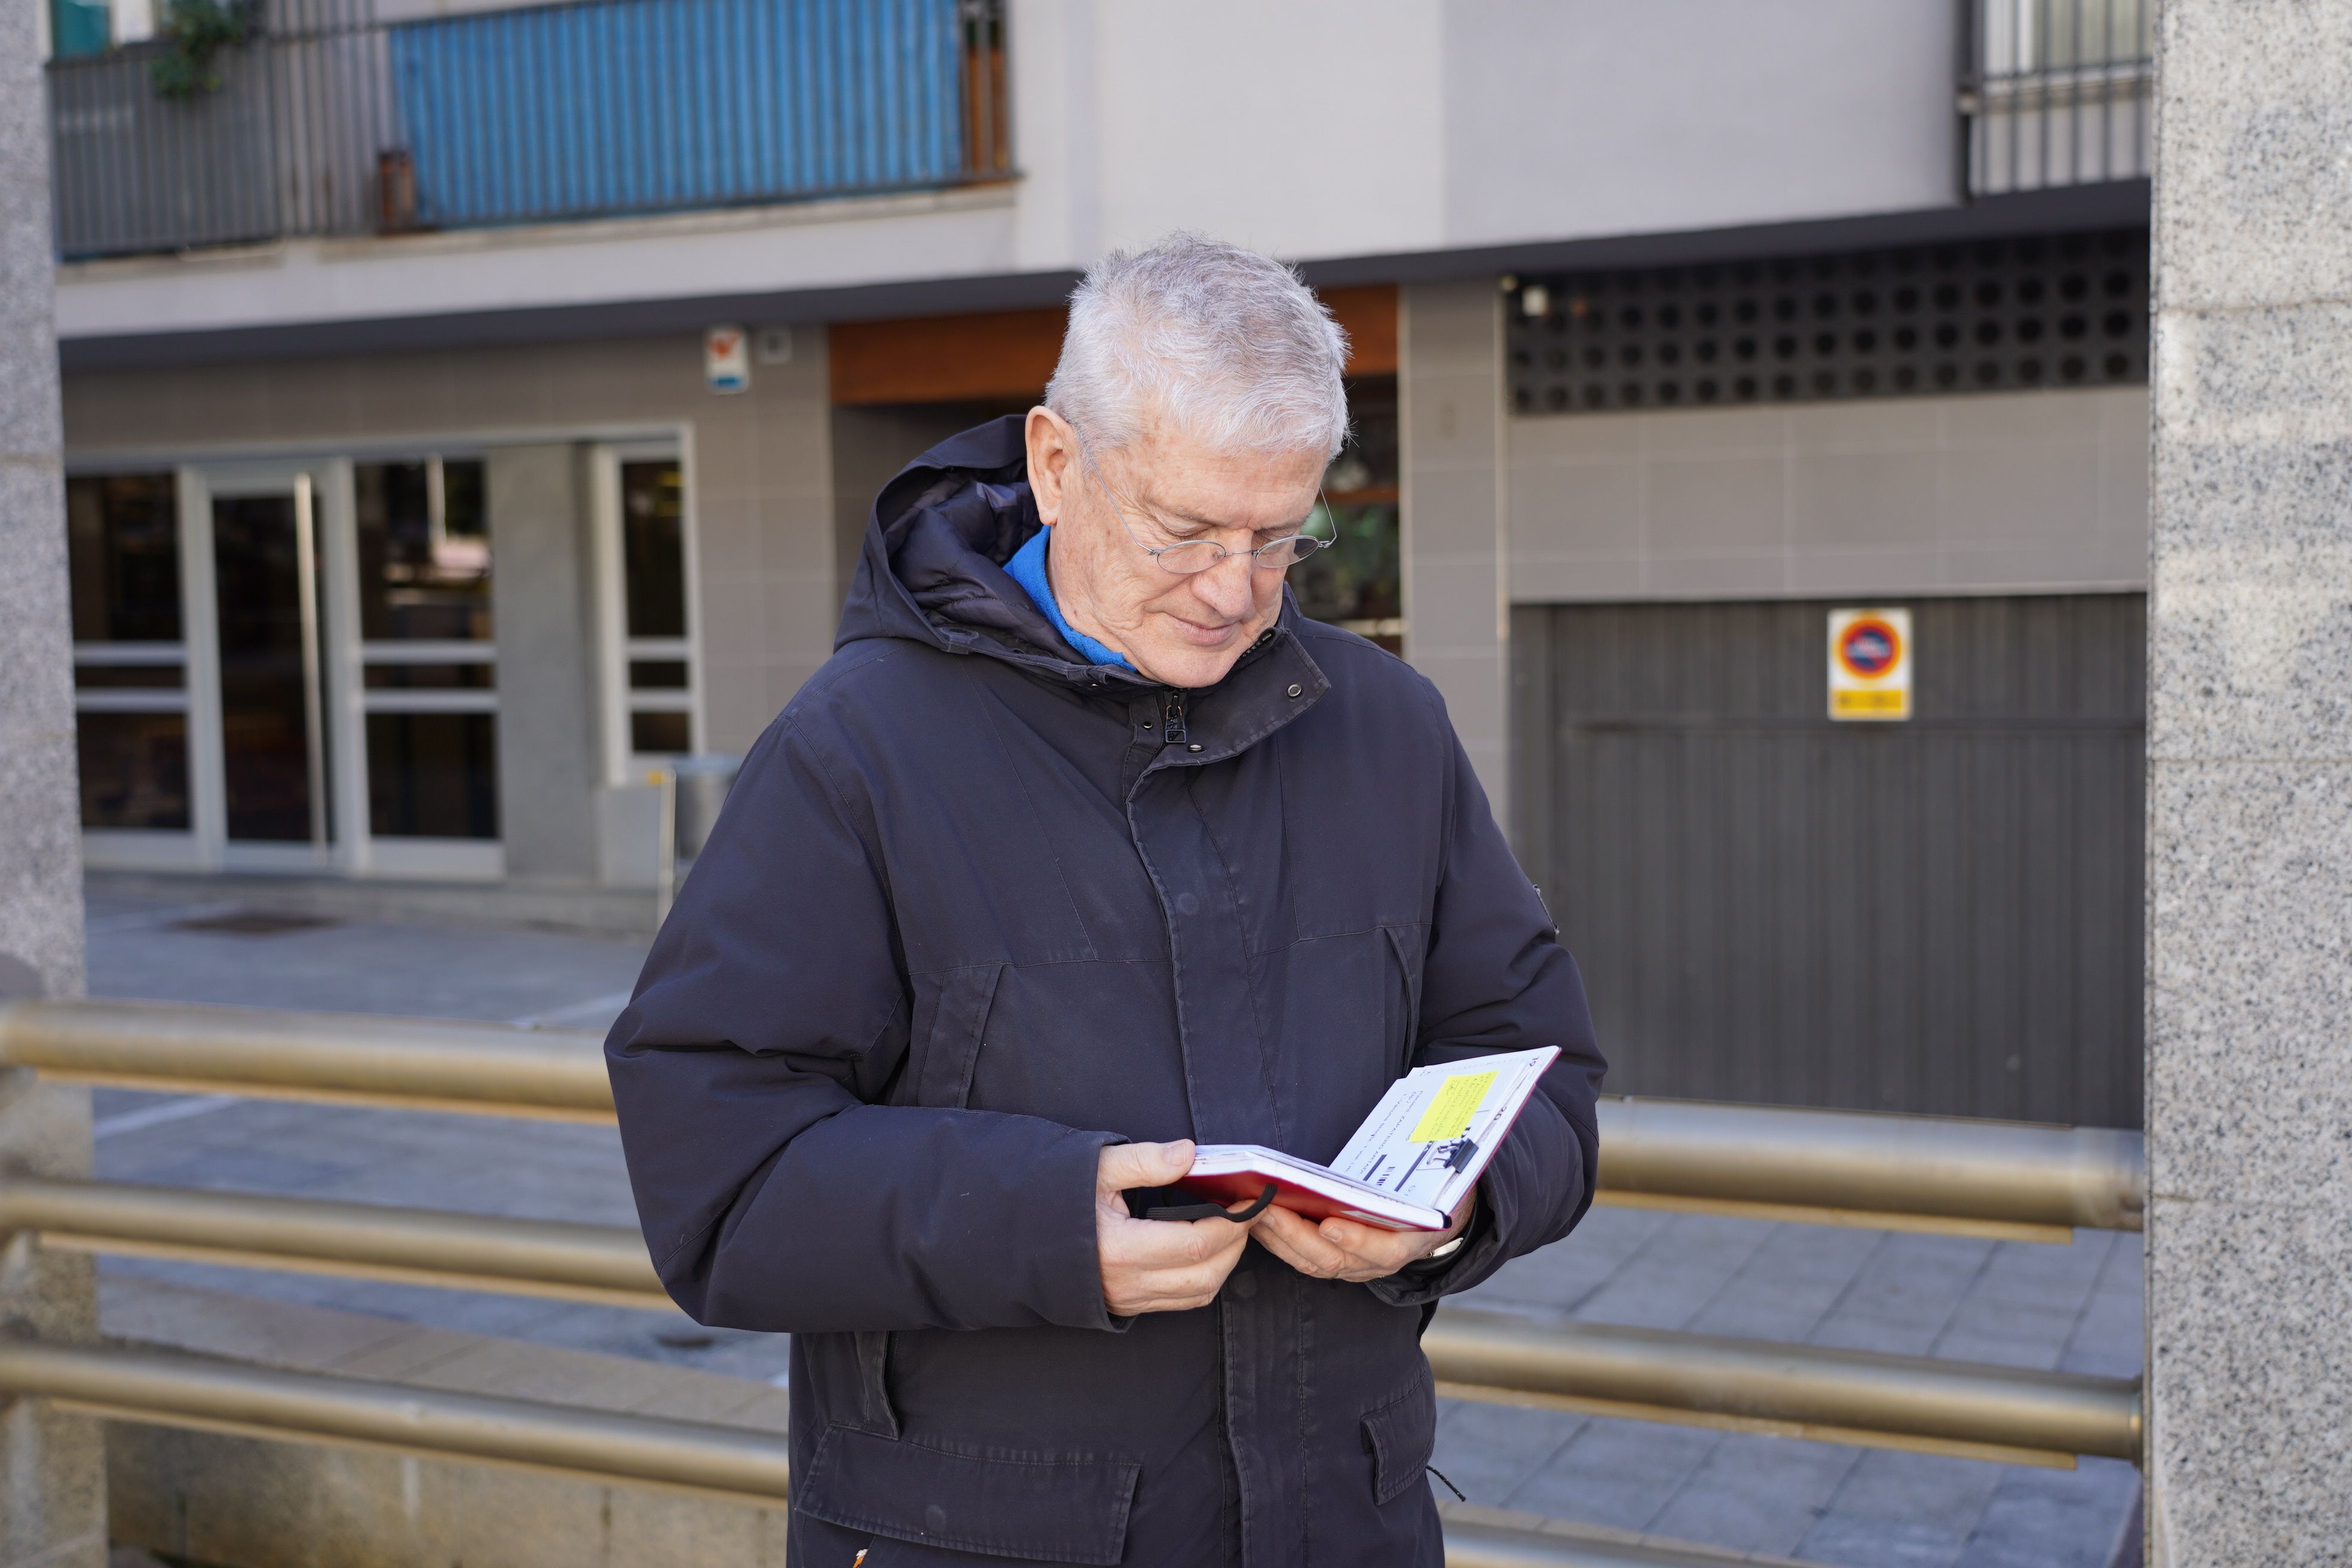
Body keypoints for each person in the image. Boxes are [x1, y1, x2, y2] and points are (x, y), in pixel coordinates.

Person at [605, 233, 1606, 1568]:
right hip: (981, 1533)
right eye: (1185, 531)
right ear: (1057, 464)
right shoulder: (855, 748)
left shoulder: (1390, 726)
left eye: (1280, 538)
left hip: (1343, 1524)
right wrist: (1036, 1225)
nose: (1234, 591)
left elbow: (1542, 1067)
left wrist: (1456, 1205)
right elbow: (716, 1176)